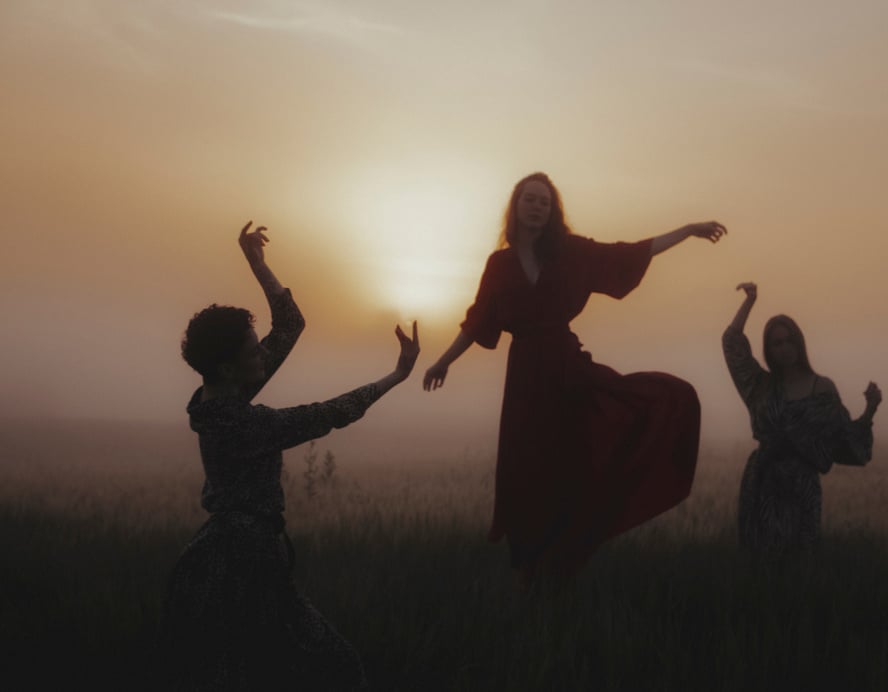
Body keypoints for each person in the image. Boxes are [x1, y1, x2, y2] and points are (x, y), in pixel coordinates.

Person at [422, 171, 725, 584]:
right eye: (530, 199)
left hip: (568, 370)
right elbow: (478, 321)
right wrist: (444, 361)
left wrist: (688, 230)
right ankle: (530, 570)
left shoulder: (571, 253)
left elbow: (629, 254)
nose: (537, 206)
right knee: (525, 469)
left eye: (545, 202)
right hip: (526, 380)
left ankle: (562, 566)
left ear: (553, 212)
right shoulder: (500, 264)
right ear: (515, 206)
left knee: (573, 463)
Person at [160, 221, 419, 691]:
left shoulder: (223, 393)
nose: (263, 352)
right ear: (227, 364)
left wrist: (258, 264)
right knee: (335, 670)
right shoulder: (242, 424)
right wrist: (396, 376)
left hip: (235, 558)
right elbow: (331, 413)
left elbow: (290, 324)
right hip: (240, 566)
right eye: (252, 348)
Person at [723, 281, 880, 554]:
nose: (784, 348)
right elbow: (732, 343)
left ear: (800, 342)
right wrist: (749, 302)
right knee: (761, 567)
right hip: (762, 483)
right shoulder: (760, 386)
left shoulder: (822, 388)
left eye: (789, 340)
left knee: (800, 562)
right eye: (776, 343)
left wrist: (869, 411)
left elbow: (845, 439)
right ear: (768, 350)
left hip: (802, 486)